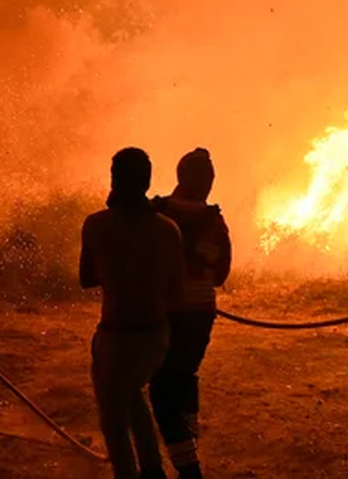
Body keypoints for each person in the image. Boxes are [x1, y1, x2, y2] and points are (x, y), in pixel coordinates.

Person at [80, 148, 185, 479]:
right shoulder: (169, 229)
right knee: (132, 392)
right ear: (148, 182)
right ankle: (152, 468)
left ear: (114, 179)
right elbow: (175, 292)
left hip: (116, 336)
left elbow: (86, 278)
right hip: (156, 337)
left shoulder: (97, 224)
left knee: (114, 422)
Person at [149, 148, 231, 479]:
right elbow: (221, 275)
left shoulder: (155, 213)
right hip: (199, 315)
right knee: (184, 378)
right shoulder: (215, 222)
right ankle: (189, 448)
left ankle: (188, 468)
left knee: (160, 389)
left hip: (164, 312)